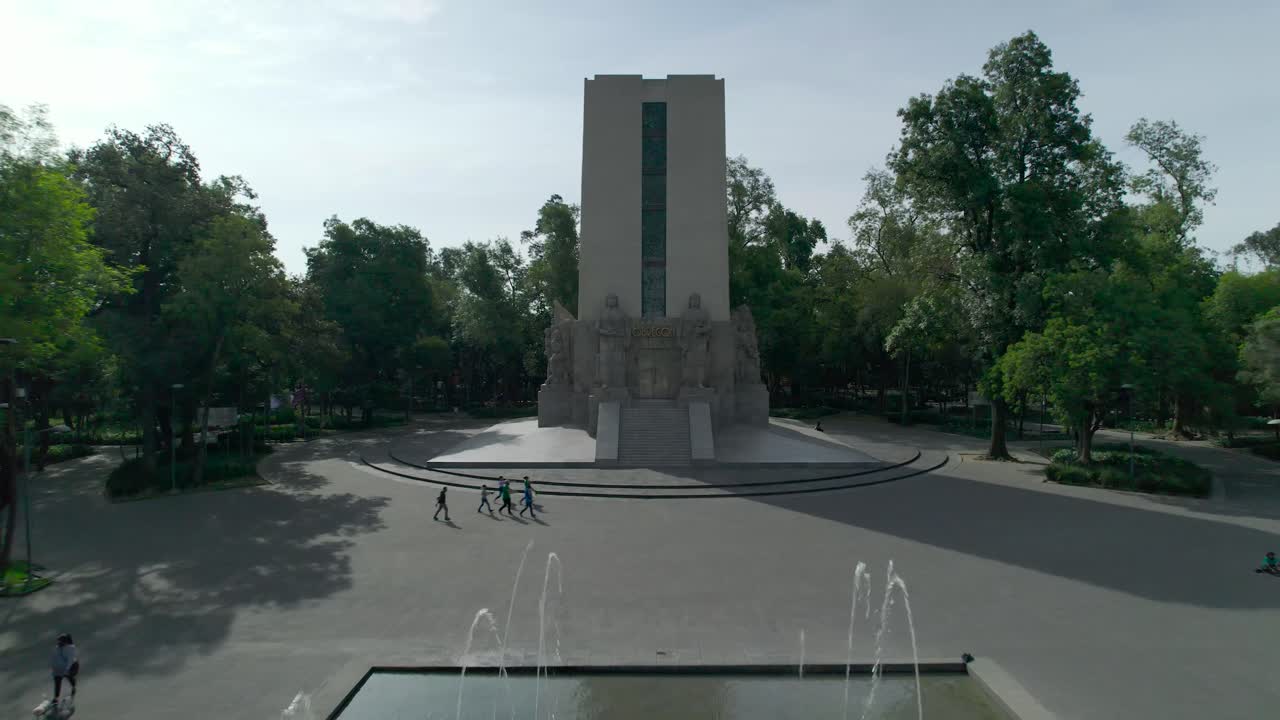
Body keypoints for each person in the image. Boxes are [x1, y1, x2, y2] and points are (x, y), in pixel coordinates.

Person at [50, 633, 79, 702]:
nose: (59, 642)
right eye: (59, 641)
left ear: (66, 642)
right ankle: (56, 698)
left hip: (71, 666)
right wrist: (54, 667)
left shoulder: (70, 648)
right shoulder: (58, 647)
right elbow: (55, 657)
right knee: (57, 681)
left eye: (61, 641)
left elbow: (70, 660)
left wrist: (67, 669)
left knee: (69, 677)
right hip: (59, 668)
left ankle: (73, 687)